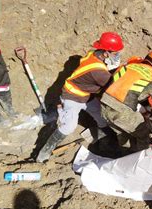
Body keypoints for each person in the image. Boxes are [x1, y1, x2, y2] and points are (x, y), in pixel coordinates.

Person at [36, 32, 123, 163]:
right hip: (72, 96)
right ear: (105, 53)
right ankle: (44, 153)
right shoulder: (98, 71)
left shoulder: (94, 55)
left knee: (101, 116)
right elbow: (113, 88)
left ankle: (104, 141)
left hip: (86, 94)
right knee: (68, 127)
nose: (117, 56)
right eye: (115, 53)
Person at [100, 51, 152, 152]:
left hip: (104, 104)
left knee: (122, 131)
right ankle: (140, 154)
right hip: (122, 110)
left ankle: (125, 152)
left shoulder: (130, 65)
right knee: (143, 132)